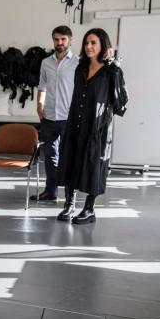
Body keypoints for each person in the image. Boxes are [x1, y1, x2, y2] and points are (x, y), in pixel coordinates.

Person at [57, 28, 128, 224]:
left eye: (93, 43)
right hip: (75, 123)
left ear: (103, 45)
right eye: (86, 43)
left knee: (94, 165)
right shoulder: (81, 67)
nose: (88, 46)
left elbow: (121, 102)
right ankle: (69, 205)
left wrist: (102, 114)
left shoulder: (112, 71)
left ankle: (89, 209)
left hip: (97, 128)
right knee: (70, 162)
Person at [31, 25, 78, 203]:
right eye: (57, 39)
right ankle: (50, 191)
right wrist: (39, 106)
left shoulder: (78, 63)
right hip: (49, 116)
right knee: (50, 156)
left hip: (68, 118)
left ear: (70, 40)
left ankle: (69, 195)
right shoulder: (45, 62)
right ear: (53, 40)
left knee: (68, 157)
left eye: (63, 39)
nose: (60, 43)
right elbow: (42, 86)